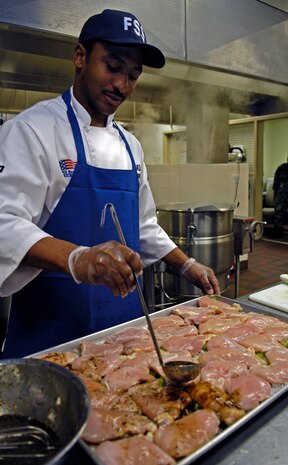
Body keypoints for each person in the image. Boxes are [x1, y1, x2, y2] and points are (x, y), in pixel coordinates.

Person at [0, 9, 220, 358]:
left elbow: (143, 224)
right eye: (113, 67)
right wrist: (77, 258)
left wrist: (186, 264)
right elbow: (5, 224)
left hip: (122, 332)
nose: (122, 86)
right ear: (80, 57)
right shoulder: (33, 131)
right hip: (51, 335)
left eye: (133, 75)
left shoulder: (130, 146)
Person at [272, 156, 288, 237]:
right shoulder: (282, 168)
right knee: (278, 214)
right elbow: (276, 182)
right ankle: (277, 232)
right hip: (281, 195)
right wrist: (275, 194)